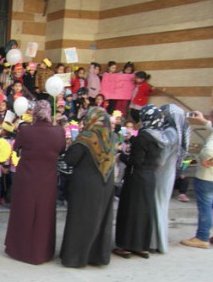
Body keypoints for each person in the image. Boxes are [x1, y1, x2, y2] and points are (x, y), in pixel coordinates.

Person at [4, 100, 66, 265]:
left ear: (34, 113)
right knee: (44, 214)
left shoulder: (25, 130)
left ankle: (19, 250)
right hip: (47, 180)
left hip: (26, 179)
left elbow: (16, 148)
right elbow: (62, 150)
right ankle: (42, 252)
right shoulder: (58, 132)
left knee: (23, 212)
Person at [60, 107, 117, 267]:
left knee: (81, 219)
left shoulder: (86, 138)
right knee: (100, 219)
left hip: (85, 186)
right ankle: (97, 256)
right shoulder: (112, 138)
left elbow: (70, 159)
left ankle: (76, 257)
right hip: (106, 184)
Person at [114, 105, 164, 259]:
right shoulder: (159, 136)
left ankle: (126, 246)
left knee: (131, 211)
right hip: (149, 177)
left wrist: (121, 156)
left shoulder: (143, 136)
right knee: (144, 211)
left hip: (136, 177)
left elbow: (136, 161)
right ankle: (142, 246)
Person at [152, 104, 190, 253]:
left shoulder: (170, 132)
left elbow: (161, 159)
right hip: (167, 173)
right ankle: (158, 241)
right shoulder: (175, 132)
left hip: (161, 173)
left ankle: (155, 241)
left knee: (157, 205)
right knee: (160, 205)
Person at [181, 110, 212, 249]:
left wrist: (207, 160)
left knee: (205, 207)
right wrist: (203, 121)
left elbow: (208, 151)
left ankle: (202, 237)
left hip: (207, 176)